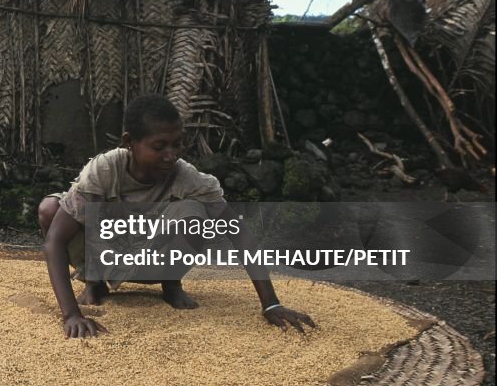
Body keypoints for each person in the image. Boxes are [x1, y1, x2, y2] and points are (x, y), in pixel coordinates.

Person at [38, 93, 317, 338]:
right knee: (50, 209)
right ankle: (95, 282)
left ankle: (170, 283)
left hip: (151, 259)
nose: (171, 155)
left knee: (194, 212)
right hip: (106, 253)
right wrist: (71, 314)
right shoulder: (104, 170)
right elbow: (54, 242)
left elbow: (238, 232)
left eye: (177, 145)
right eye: (159, 147)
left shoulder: (188, 178)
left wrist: (270, 303)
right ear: (129, 143)